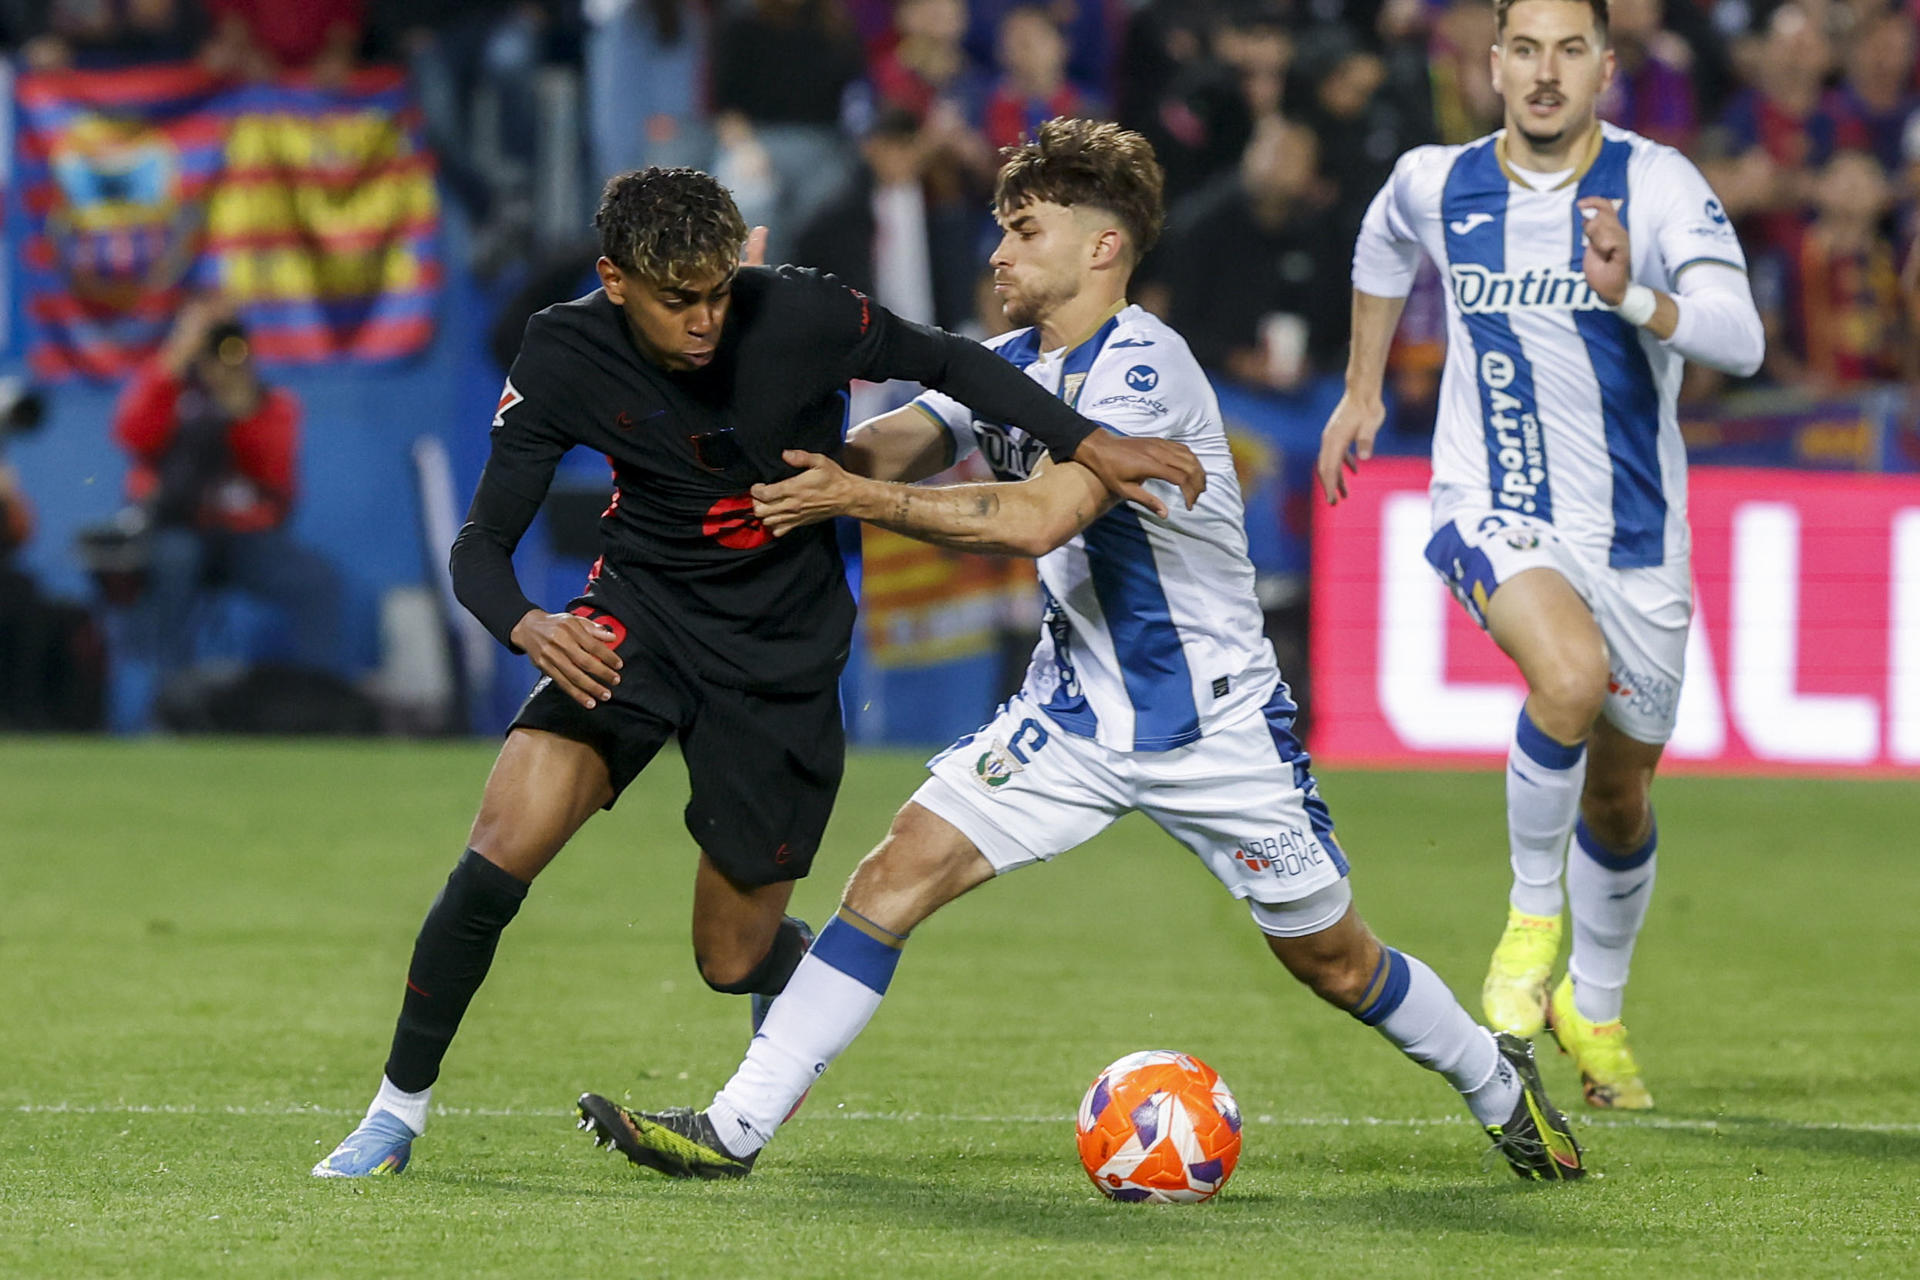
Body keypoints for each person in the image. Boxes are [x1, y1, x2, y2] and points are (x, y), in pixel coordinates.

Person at [574, 119, 1586, 1184]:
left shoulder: (1146, 367)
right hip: (1068, 718)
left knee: (1335, 959)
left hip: (1211, 724)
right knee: (893, 874)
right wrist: (755, 366)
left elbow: (1037, 517)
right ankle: (731, 1129)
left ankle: (1497, 1083)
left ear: (1102, 247)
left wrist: (856, 497)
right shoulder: (1006, 366)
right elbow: (874, 448)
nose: (999, 253)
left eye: (1024, 230)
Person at [311, 165, 1204, 1178]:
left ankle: (790, 962)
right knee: (498, 849)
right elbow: (481, 544)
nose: (703, 321)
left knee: (728, 957)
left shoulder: (805, 312)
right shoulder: (562, 353)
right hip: (636, 622)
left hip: (780, 654)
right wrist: (526, 624)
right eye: (677, 300)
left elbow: (949, 359)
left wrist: (1088, 440)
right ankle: (393, 1113)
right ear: (613, 279)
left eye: (718, 293)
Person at [1316, 0, 1764, 1110]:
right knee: (1564, 680)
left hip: (1639, 537)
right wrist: (1362, 386)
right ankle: (1528, 924)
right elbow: (1381, 240)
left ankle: (1594, 1007)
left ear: (1606, 69)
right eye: (1526, 49)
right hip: (1491, 502)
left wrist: (1636, 297)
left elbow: (1743, 337)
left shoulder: (1656, 184)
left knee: (1621, 796)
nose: (1546, 72)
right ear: (1495, 64)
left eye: (1571, 50)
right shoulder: (1437, 178)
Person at [110, 299, 343, 690]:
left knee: (319, 581)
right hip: (175, 528)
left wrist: (242, 408)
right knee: (174, 563)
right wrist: (173, 362)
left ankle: (319, 700)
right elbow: (131, 433)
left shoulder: (268, 401)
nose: (215, 348)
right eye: (206, 337)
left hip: (242, 536)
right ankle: (165, 702)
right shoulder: (169, 388)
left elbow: (277, 482)